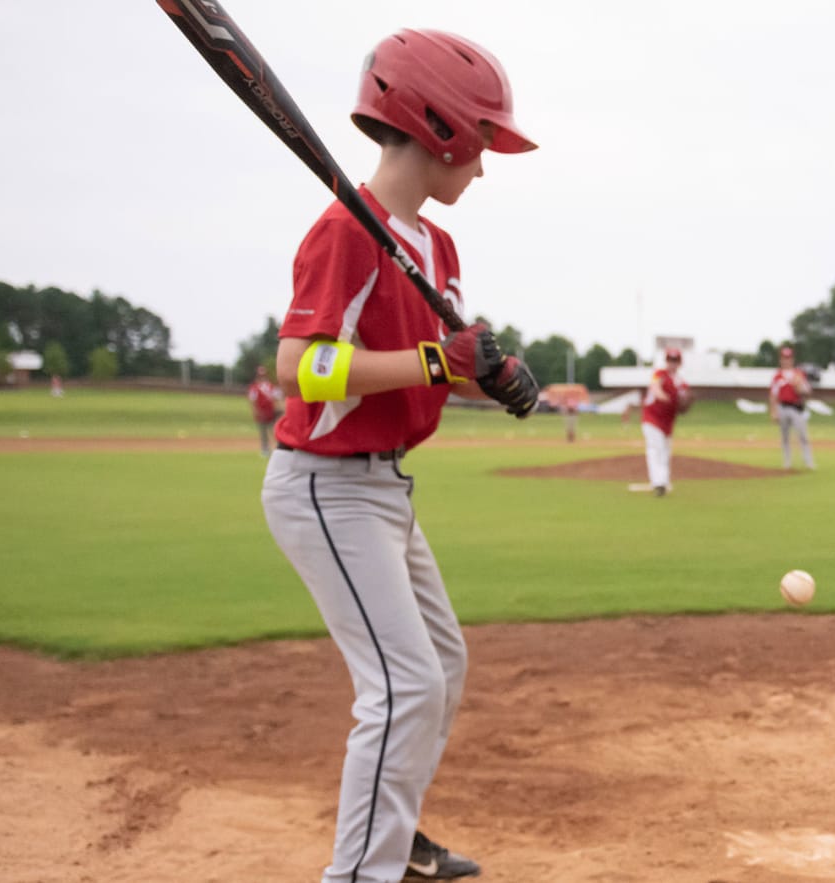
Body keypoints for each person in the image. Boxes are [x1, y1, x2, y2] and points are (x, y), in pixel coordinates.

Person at [258, 28, 540, 883]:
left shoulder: (434, 247)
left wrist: (486, 374)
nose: (484, 165)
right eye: (482, 140)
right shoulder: (347, 231)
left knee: (440, 663)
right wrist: (434, 361)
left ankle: (399, 834)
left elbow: (437, 362)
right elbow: (298, 367)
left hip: (385, 487)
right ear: (440, 125)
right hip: (325, 487)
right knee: (405, 684)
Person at [641, 346, 689, 496]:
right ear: (666, 361)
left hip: (667, 422)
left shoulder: (681, 382)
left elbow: (685, 400)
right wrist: (663, 396)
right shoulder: (659, 374)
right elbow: (655, 387)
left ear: (680, 362)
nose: (672, 363)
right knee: (656, 449)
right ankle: (659, 483)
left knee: (665, 452)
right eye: (670, 360)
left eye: (675, 360)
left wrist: (685, 404)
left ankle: (663, 481)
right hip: (652, 418)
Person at [769, 346, 815, 470]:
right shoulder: (778, 376)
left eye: (788, 358)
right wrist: (773, 411)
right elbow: (773, 395)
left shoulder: (798, 375)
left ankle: (809, 462)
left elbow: (807, 392)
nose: (786, 361)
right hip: (783, 407)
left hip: (796, 408)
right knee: (785, 437)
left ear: (792, 359)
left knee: (803, 435)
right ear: (781, 360)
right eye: (784, 358)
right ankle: (787, 462)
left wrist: (800, 388)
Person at [248, 365, 283, 456]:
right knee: (263, 432)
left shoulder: (271, 386)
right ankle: (265, 449)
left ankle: (278, 448)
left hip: (272, 412)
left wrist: (278, 408)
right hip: (261, 412)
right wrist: (256, 412)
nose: (262, 377)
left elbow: (277, 398)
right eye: (260, 375)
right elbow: (252, 400)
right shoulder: (254, 387)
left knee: (275, 431)